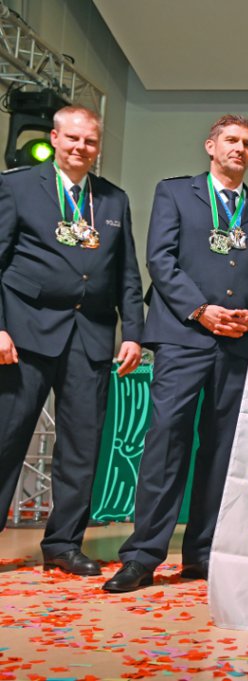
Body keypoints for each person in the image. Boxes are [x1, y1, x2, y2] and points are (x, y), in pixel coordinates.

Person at [104, 115, 248, 592]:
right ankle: (142, 555)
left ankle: (203, 553)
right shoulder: (175, 192)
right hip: (183, 336)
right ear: (211, 146)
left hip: (237, 342)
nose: (239, 149)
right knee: (166, 443)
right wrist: (200, 310)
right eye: (231, 140)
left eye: (247, 143)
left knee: (221, 450)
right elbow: (160, 258)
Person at [0, 106, 144, 576]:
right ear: (55, 138)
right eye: (73, 138)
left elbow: (126, 272)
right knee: (6, 438)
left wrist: (133, 333)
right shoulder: (17, 187)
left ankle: (63, 544)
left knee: (82, 447)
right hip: (24, 332)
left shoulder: (113, 199)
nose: (82, 147)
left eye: (90, 141)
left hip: (91, 336)